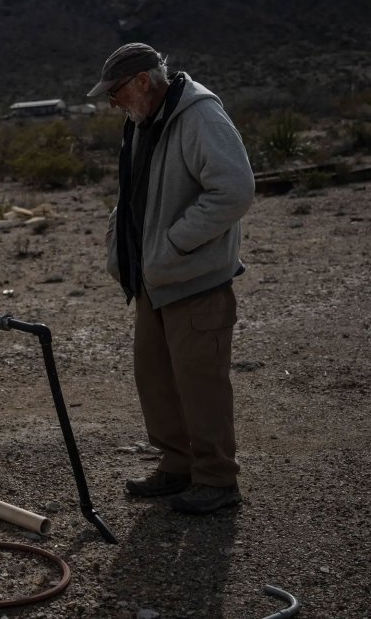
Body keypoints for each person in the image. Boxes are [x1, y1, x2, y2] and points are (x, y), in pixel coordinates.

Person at [89, 43, 255, 514]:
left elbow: (235, 190)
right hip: (154, 280)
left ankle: (217, 479)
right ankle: (178, 466)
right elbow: (138, 192)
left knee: (201, 384)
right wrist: (122, 243)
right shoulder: (146, 122)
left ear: (143, 81)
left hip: (194, 279)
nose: (113, 102)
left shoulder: (199, 115)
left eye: (116, 92)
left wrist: (177, 243)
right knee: (157, 379)